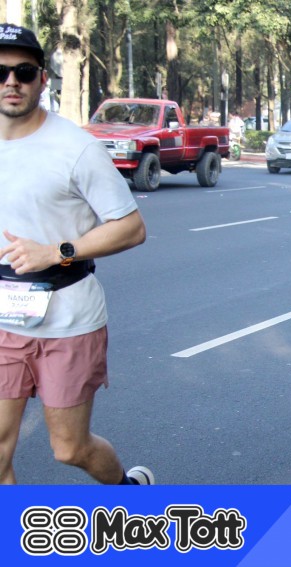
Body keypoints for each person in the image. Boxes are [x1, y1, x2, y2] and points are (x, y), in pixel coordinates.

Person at [0, 24, 151, 485]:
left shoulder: (76, 148)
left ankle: (128, 489)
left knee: (69, 448)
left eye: (24, 72)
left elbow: (131, 227)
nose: (11, 82)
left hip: (68, 317)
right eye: (1, 73)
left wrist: (57, 251)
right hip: (5, 318)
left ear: (42, 79)